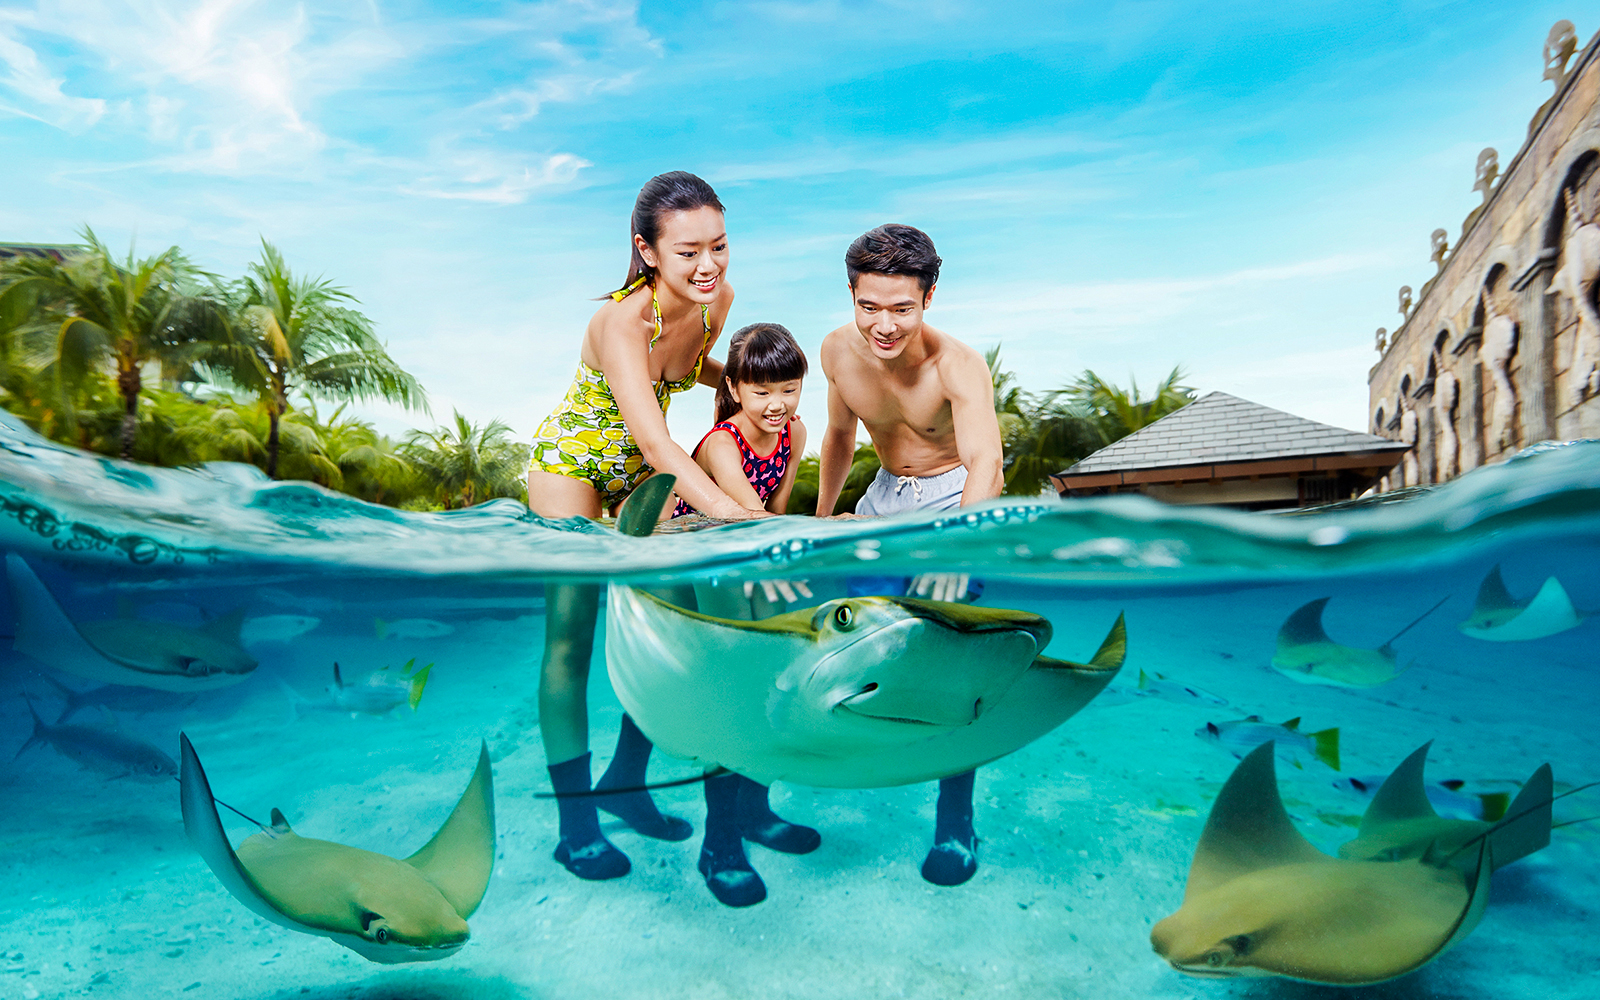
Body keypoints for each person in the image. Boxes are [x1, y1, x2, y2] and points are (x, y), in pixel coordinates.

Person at [526, 171, 770, 882]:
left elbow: (692, 371)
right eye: (689, 251)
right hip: (572, 462)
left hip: (643, 468)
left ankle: (625, 786)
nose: (708, 266)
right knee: (571, 639)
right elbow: (661, 442)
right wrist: (730, 511)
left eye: (719, 246)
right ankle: (577, 828)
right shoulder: (619, 321)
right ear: (648, 250)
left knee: (674, 623)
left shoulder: (717, 301)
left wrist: (750, 388)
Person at [814, 223, 1005, 887]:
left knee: (950, 664)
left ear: (929, 296)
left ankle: (955, 819)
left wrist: (957, 544)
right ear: (851, 294)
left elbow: (987, 459)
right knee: (828, 625)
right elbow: (838, 438)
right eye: (870, 307)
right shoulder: (837, 351)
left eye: (901, 308)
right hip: (885, 497)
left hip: (959, 496)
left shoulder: (959, 363)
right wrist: (816, 523)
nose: (884, 326)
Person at [668, 321, 821, 906]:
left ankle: (753, 812)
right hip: (697, 561)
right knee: (732, 693)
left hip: (748, 560)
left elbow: (778, 506)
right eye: (762, 392)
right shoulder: (720, 444)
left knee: (768, 686)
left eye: (790, 387)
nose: (778, 404)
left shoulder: (796, 433)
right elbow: (751, 516)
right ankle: (719, 841)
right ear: (733, 388)